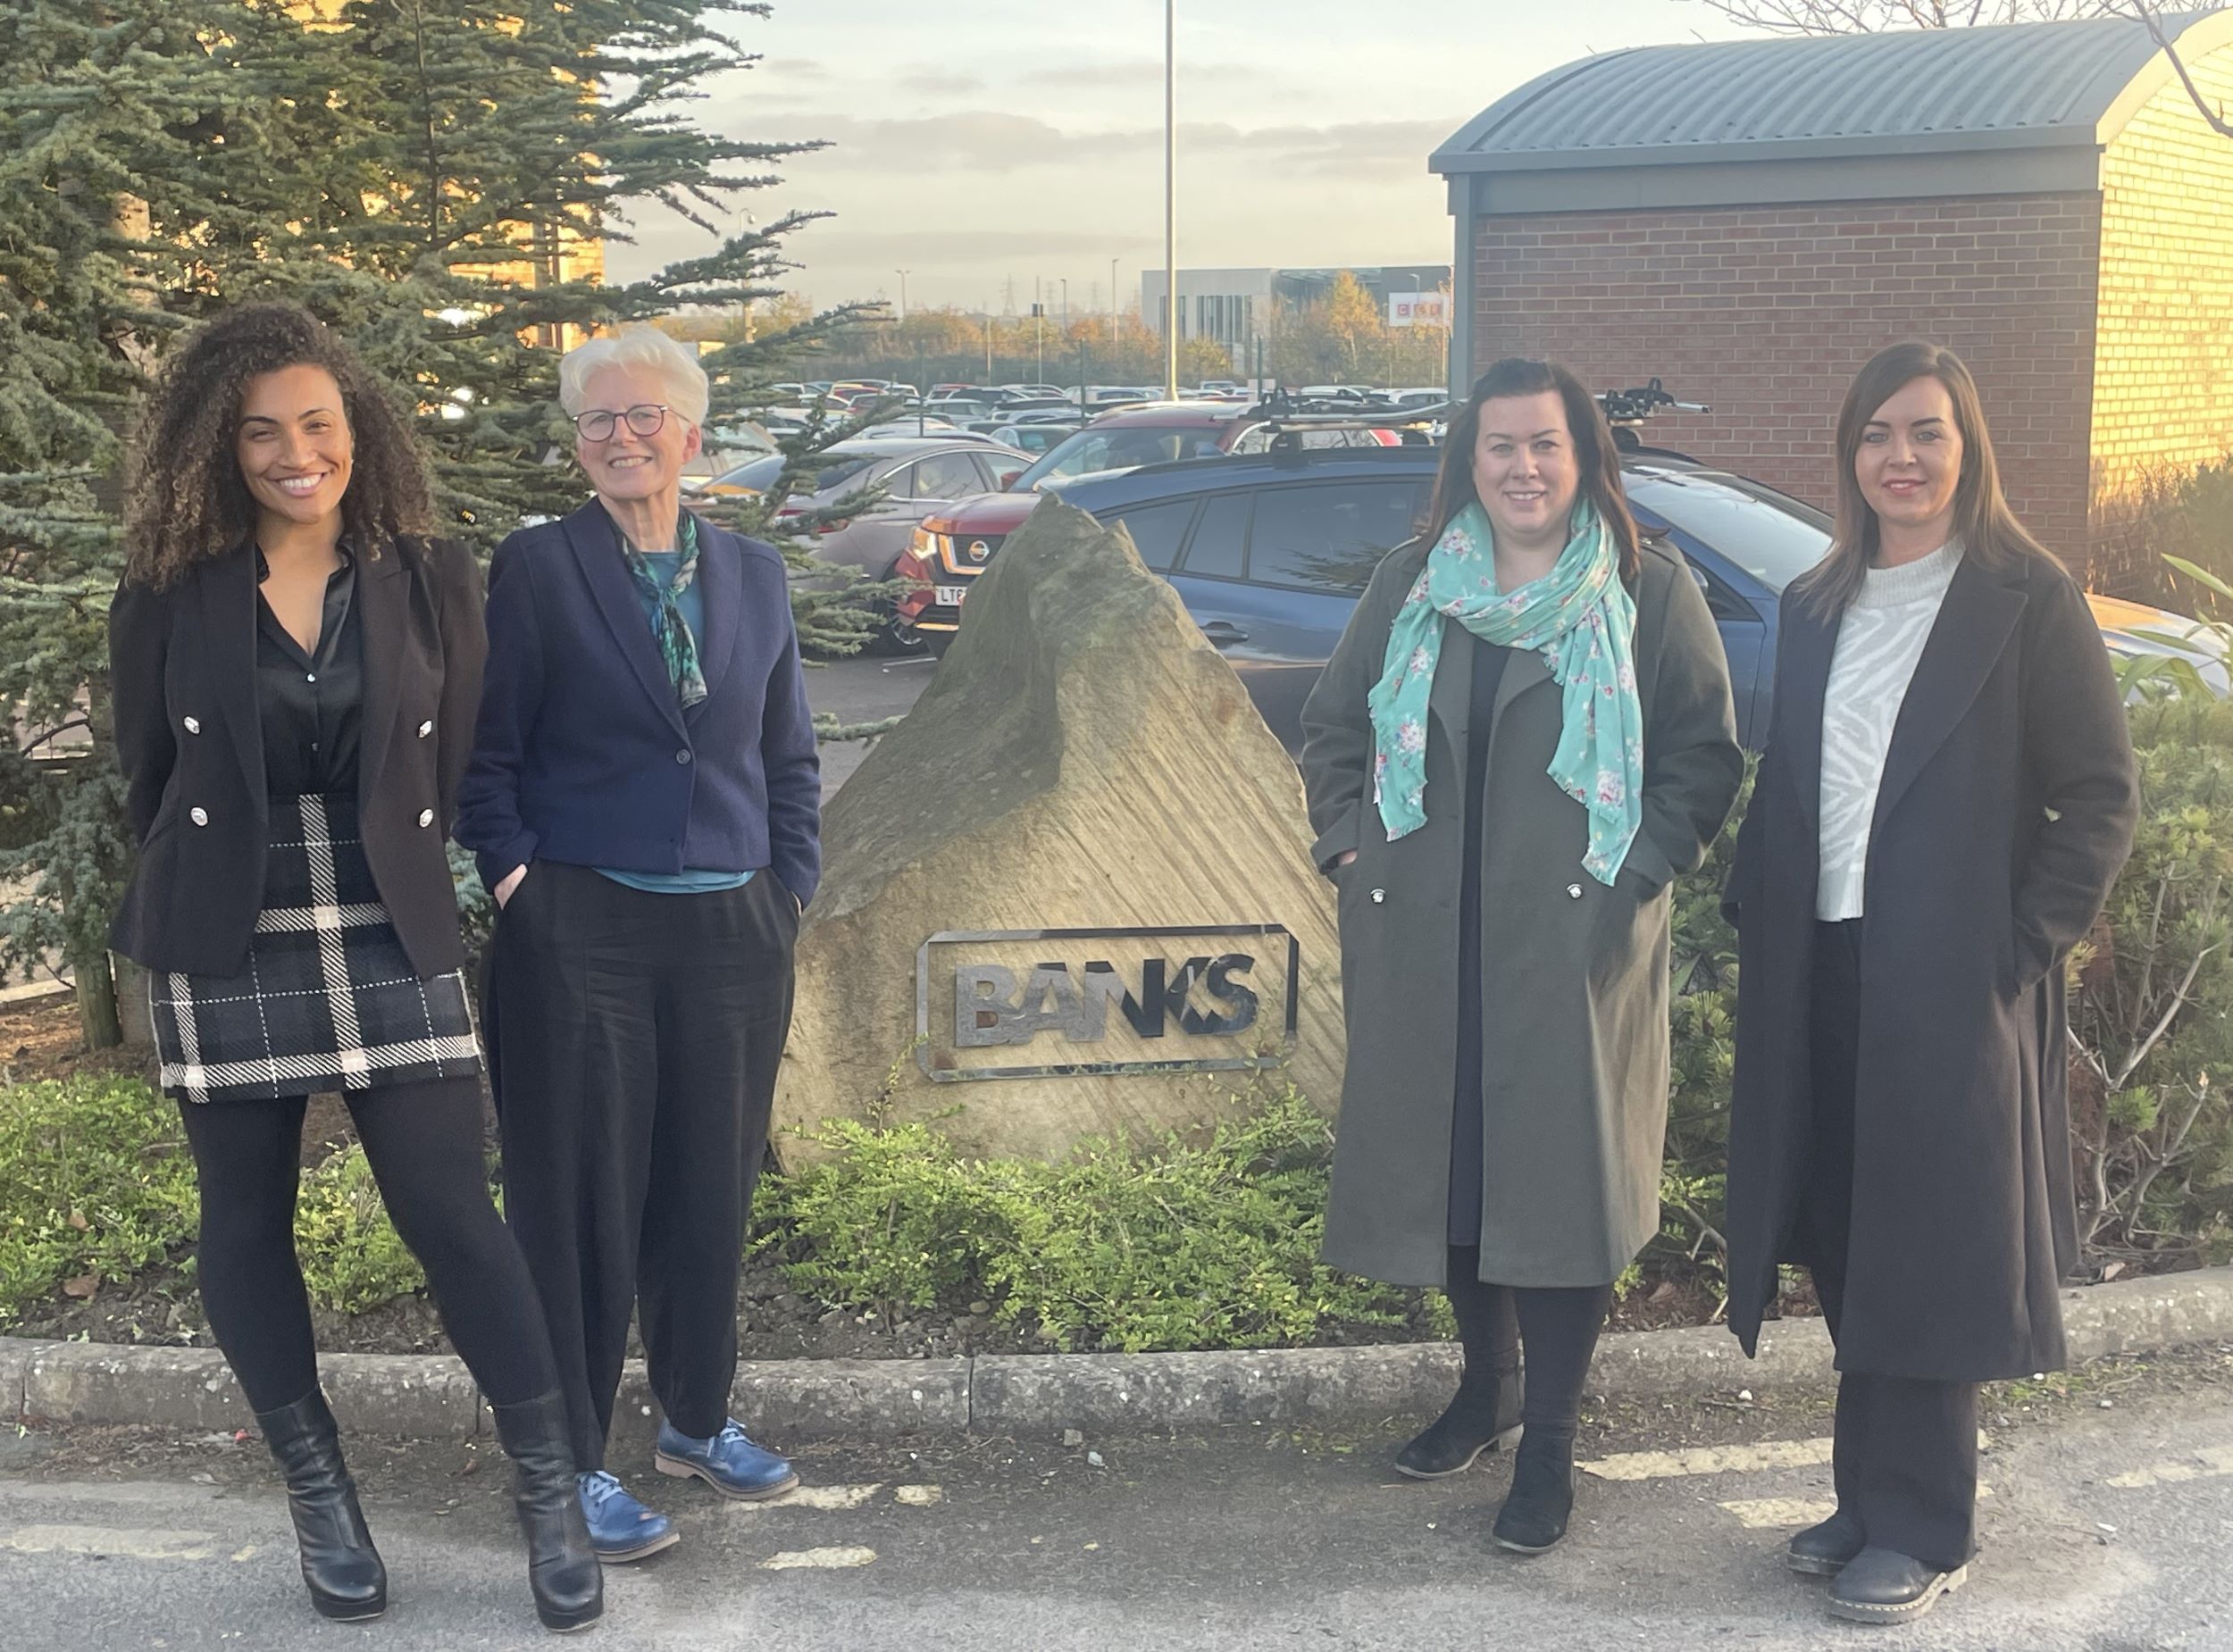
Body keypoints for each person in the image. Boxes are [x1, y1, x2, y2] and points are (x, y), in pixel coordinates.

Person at [108, 303, 600, 1633]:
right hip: (227, 916)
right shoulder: (167, 588)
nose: (293, 452)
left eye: (315, 424)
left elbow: (447, 751)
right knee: (245, 1217)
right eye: (262, 431)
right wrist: (216, 874)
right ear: (223, 445)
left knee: (450, 1206)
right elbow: (150, 773)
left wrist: (399, 849)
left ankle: (549, 1486)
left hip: (382, 904)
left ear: (356, 430)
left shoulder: (427, 566)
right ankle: (320, 1493)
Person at [1722, 341, 2137, 1625]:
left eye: (1927, 432)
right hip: (1823, 965)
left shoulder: (2024, 596)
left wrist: (2019, 944)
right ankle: (1869, 1494)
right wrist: (1753, 908)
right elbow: (1797, 777)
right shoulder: (1816, 602)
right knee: (1847, 1232)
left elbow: (2098, 794)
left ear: (1969, 447)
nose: (1901, 457)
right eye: (1876, 435)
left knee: (1933, 1251)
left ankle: (1927, 1520)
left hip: (1953, 982)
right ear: (1850, 456)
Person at [1300, 358, 1744, 1553]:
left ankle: (1548, 1439)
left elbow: (1705, 756)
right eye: (1500, 447)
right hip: (1426, 935)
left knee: (1558, 1194)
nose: (1523, 467)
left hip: (1572, 941)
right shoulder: (1414, 583)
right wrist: (1347, 846)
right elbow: (1338, 727)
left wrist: (1633, 873)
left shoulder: (1647, 591)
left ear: (1585, 457)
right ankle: (1483, 1387)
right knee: (1459, 1181)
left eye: (1545, 444)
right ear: (1469, 462)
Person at [458, 325, 820, 1561]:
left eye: (644, 416)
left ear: (693, 437)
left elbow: (788, 755)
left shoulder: (756, 575)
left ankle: (696, 1417)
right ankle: (570, 1459)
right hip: (582, 923)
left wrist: (788, 887)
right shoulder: (537, 568)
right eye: (599, 420)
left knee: (706, 1183)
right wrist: (521, 886)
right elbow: (484, 753)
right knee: (578, 1199)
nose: (622, 436)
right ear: (579, 445)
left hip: (733, 923)